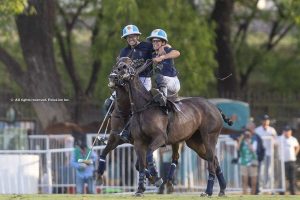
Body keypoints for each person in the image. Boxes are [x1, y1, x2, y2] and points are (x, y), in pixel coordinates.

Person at [146, 29, 181, 107]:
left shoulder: (166, 50)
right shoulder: (153, 54)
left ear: (163, 42)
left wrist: (163, 57)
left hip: (173, 82)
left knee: (159, 77)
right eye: (153, 41)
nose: (155, 43)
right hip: (163, 86)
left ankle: (163, 101)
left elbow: (177, 53)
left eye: (157, 41)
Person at [254, 114, 277, 189]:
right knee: (260, 171)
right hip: (260, 154)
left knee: (269, 171)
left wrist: (273, 140)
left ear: (269, 121)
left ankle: (268, 187)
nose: (265, 122)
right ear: (262, 121)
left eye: (267, 120)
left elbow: (276, 142)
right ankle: (260, 187)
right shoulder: (257, 130)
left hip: (269, 153)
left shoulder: (272, 130)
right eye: (264, 120)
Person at [277, 125, 299, 195]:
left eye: (288, 131)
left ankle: (293, 192)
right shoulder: (280, 138)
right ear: (283, 132)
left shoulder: (293, 139)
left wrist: (295, 154)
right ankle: (282, 193)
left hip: (292, 161)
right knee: (282, 178)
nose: (287, 132)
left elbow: (298, 146)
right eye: (285, 131)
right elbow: (274, 143)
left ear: (290, 132)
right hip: (283, 161)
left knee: (292, 178)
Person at [245, 121, 265, 194]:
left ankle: (256, 192)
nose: (252, 129)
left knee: (256, 177)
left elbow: (262, 148)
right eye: (250, 128)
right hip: (246, 161)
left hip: (256, 160)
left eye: (253, 128)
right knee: (249, 178)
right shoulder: (244, 136)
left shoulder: (257, 137)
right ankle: (254, 190)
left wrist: (260, 158)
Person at [237, 130, 258, 194]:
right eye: (246, 135)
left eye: (248, 135)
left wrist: (248, 142)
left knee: (254, 181)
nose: (247, 136)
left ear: (251, 135)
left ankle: (253, 194)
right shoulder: (242, 142)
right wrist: (240, 140)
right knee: (244, 180)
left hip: (253, 163)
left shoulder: (254, 141)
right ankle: (245, 194)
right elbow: (237, 149)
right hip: (244, 163)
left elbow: (253, 150)